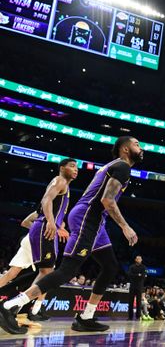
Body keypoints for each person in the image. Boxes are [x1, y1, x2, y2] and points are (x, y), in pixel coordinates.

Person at [0, 136, 142, 335]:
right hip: (87, 218)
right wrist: (125, 226)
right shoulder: (122, 166)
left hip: (95, 221)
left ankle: (86, 317)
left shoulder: (114, 166)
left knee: (110, 266)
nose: (141, 148)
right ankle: (10, 306)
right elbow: (107, 200)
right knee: (66, 271)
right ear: (125, 149)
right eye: (137, 144)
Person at [25, 158, 79, 322]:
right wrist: (50, 221)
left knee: (46, 273)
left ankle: (33, 309)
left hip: (48, 228)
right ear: (62, 168)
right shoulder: (59, 180)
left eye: (77, 167)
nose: (76, 169)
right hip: (44, 227)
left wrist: (59, 225)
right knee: (47, 273)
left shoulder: (66, 186)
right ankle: (19, 307)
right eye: (72, 166)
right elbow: (46, 199)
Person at [128, 255, 147, 320]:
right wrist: (138, 275)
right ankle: (130, 317)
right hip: (132, 286)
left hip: (139, 286)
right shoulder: (132, 267)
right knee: (130, 302)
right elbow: (130, 275)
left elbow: (143, 276)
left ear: (141, 260)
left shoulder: (143, 267)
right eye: (137, 259)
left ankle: (138, 316)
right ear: (135, 260)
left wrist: (136, 276)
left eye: (140, 259)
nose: (138, 260)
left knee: (139, 302)